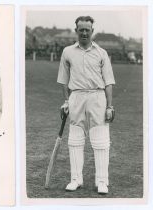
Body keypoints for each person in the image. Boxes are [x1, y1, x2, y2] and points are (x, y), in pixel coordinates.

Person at [57, 16, 115, 194]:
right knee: (75, 140)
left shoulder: (101, 52)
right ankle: (76, 179)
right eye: (80, 29)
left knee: (100, 141)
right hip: (76, 97)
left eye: (87, 30)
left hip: (97, 97)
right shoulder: (67, 52)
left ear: (92, 31)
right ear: (76, 31)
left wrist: (109, 106)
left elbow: (109, 82)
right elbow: (63, 80)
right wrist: (66, 101)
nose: (84, 32)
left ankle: (102, 181)